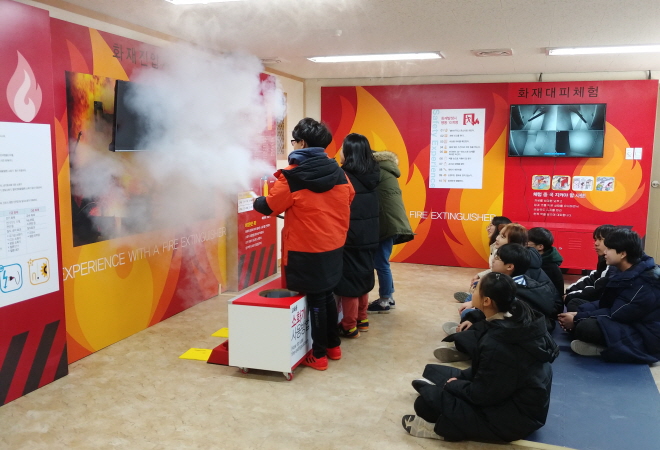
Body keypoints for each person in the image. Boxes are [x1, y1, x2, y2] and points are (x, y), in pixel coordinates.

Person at [403, 272, 558, 442]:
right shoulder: (517, 315)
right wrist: (457, 382)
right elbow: (488, 374)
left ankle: (443, 428)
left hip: (515, 418)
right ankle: (442, 391)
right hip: (515, 397)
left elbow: (482, 395)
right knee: (437, 373)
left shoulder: (498, 343)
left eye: (476, 288)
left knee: (425, 405)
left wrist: (454, 386)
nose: (473, 289)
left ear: (487, 301)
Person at [253, 118, 354, 371]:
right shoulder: (338, 172)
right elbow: (349, 196)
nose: (293, 145)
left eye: (294, 140)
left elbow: (270, 206)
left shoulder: (292, 176)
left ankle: (318, 355)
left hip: (306, 248)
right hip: (334, 244)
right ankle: (333, 346)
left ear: (302, 143)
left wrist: (256, 201)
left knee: (316, 300)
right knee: (327, 294)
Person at [558, 228, 660, 363]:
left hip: (645, 335)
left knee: (585, 327)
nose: (605, 252)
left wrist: (577, 318)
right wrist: (577, 314)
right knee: (576, 304)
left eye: (609, 248)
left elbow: (616, 313)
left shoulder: (645, 282)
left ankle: (605, 349)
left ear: (622, 254)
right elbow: (606, 303)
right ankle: (597, 341)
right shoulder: (623, 270)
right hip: (625, 320)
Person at [334, 134, 380, 337]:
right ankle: (362, 319)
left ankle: (349, 326)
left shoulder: (343, 176)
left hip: (351, 236)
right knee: (363, 276)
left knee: (350, 283)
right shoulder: (373, 174)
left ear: (349, 153)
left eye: (343, 148)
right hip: (370, 234)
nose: (340, 152)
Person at [367, 150, 415, 313]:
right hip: (391, 221)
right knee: (383, 262)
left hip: (386, 222)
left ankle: (385, 300)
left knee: (381, 263)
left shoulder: (377, 172)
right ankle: (389, 297)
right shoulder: (387, 170)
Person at [454, 216, 511, 302]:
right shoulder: (495, 246)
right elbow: (494, 270)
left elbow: (499, 272)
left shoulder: (506, 252)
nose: (488, 228)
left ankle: (475, 298)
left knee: (481, 284)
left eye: (491, 225)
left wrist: (483, 278)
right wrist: (480, 275)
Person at [564, 224, 617, 311]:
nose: (596, 243)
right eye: (595, 239)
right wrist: (571, 290)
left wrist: (570, 296)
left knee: (574, 303)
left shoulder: (613, 265)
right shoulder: (603, 259)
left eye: (600, 239)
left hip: (609, 306)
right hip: (603, 301)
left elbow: (597, 291)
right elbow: (593, 278)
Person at [527, 227, 564, 295]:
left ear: (540, 247)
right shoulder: (540, 261)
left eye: (528, 242)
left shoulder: (548, 267)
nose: (525, 244)